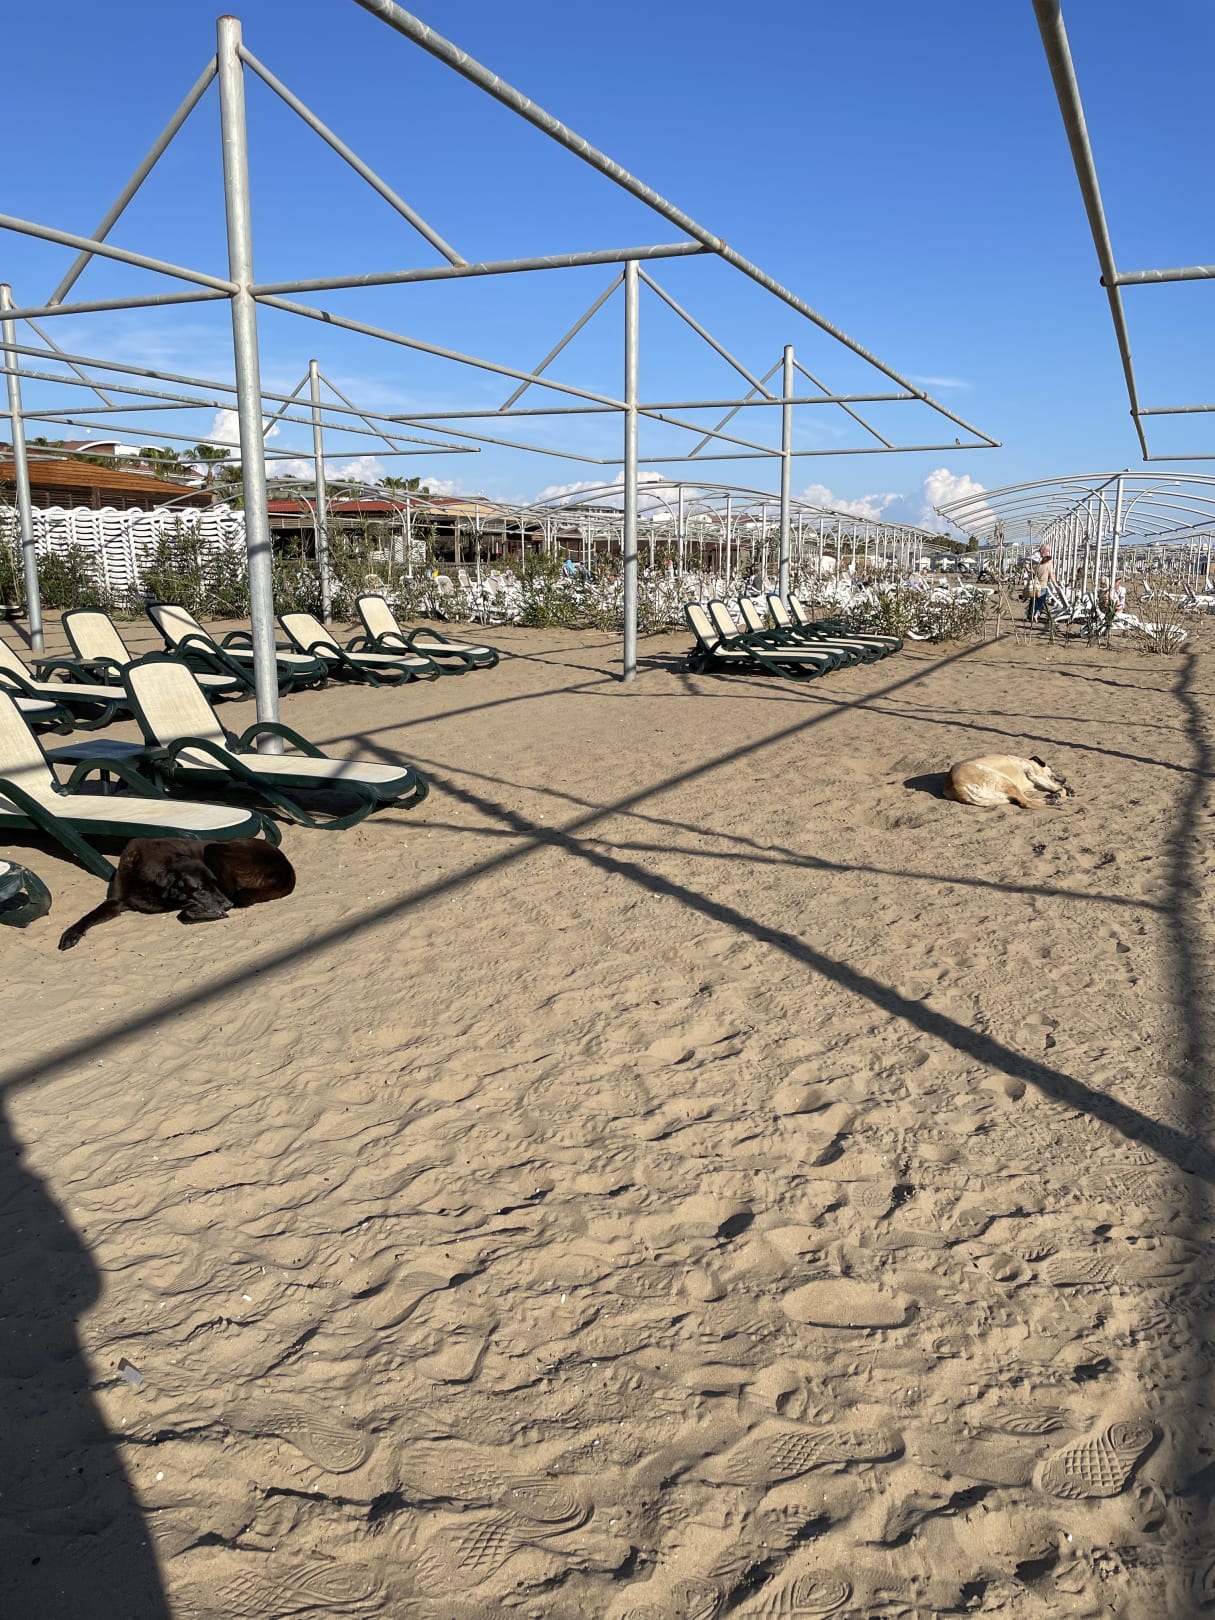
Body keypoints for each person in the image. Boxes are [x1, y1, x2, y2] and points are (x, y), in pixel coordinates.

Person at [1026, 546, 1056, 624]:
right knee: (1041, 601)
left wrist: (1029, 570)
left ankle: (1031, 615)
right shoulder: (1046, 564)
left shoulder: (1037, 565)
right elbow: (1052, 575)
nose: (1047, 552)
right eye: (1047, 551)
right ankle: (1036, 615)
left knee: (1034, 600)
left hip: (1035, 584)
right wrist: (1056, 584)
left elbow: (1029, 568)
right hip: (1042, 585)